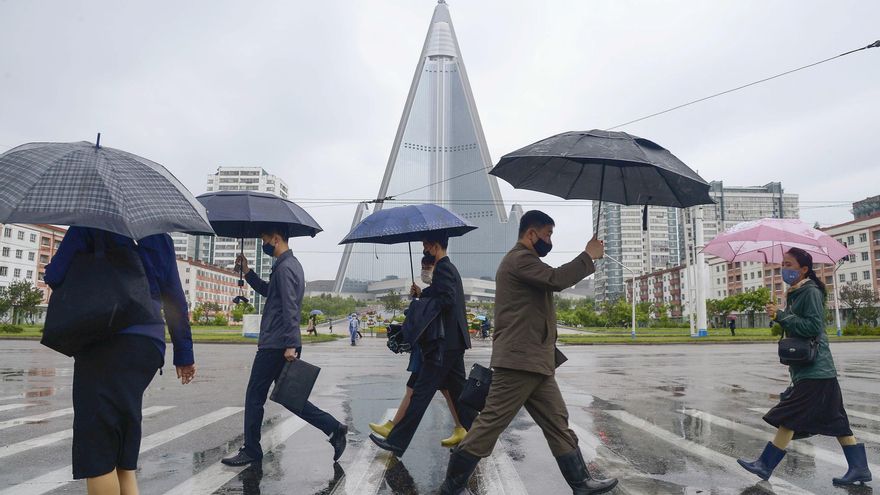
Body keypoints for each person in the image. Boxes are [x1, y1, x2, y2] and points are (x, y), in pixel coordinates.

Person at [439, 211, 617, 495]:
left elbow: (549, 281)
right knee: (490, 424)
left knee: (557, 422)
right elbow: (557, 279)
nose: (550, 240)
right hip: (520, 361)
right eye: (547, 234)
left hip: (536, 361)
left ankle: (581, 483)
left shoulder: (529, 262)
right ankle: (450, 487)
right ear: (531, 234)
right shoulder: (519, 260)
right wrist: (588, 255)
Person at [44, 227, 196, 495]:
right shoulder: (159, 235)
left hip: (107, 338)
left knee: (99, 447)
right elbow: (174, 297)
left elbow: (55, 275)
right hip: (148, 343)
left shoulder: (88, 224)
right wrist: (184, 354)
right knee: (122, 446)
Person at [737, 247, 872, 485]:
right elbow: (797, 326)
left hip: (816, 369)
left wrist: (781, 316)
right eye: (783, 264)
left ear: (804, 269)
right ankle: (859, 469)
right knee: (837, 421)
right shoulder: (797, 291)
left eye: (789, 264)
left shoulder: (809, 291)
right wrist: (778, 316)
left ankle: (764, 465)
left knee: (791, 415)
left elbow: (812, 327)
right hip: (814, 369)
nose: (784, 269)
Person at [221, 228, 348, 466]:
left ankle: (251, 450)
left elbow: (291, 306)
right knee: (290, 397)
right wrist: (247, 272)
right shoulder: (287, 265)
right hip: (281, 342)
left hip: (276, 344)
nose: (264, 244)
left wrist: (291, 344)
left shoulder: (286, 267)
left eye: (264, 240)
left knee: (254, 396)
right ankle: (334, 428)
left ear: (276, 239)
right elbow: (270, 292)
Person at [370, 233, 471, 457]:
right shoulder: (449, 267)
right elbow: (442, 294)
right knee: (458, 394)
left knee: (422, 393)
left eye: (426, 245)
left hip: (444, 345)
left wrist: (422, 304)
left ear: (435, 246)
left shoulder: (443, 268)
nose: (424, 249)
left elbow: (446, 299)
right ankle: (478, 436)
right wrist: (423, 293)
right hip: (454, 342)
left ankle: (396, 441)